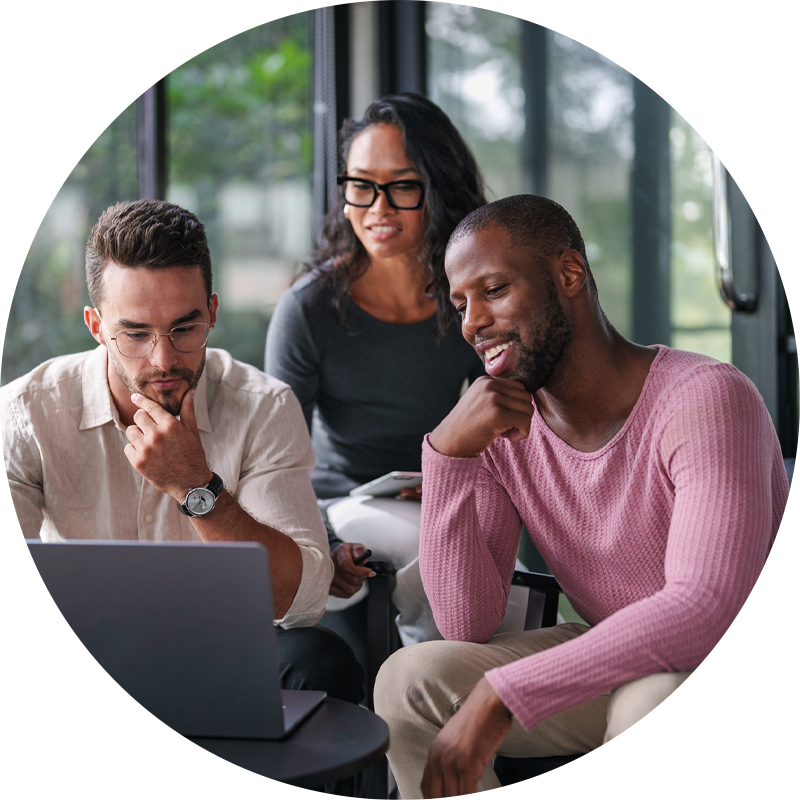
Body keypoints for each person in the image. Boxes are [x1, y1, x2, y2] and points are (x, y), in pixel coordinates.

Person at [374, 194, 800, 800]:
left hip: (770, 666)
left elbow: (706, 615)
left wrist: (503, 693)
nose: (471, 322)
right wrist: (446, 455)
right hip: (627, 662)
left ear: (569, 274)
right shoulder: (502, 424)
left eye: (493, 290)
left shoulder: (706, 399)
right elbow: (466, 621)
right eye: (460, 303)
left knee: (654, 711)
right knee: (408, 680)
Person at [0, 198, 363, 704]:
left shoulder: (264, 407)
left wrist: (197, 487)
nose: (164, 358)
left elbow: (300, 603)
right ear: (96, 326)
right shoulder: (26, 413)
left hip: (218, 649)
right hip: (77, 652)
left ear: (212, 312)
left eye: (184, 328)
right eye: (135, 333)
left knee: (319, 659)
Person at [266, 93, 530, 644]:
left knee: (501, 561)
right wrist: (320, 539)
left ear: (438, 189)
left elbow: (513, 418)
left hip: (440, 485)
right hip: (341, 502)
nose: (377, 207)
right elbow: (273, 465)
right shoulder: (309, 309)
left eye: (402, 186)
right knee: (426, 546)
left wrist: (464, 477)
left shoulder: (467, 297)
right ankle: (434, 693)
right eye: (361, 185)